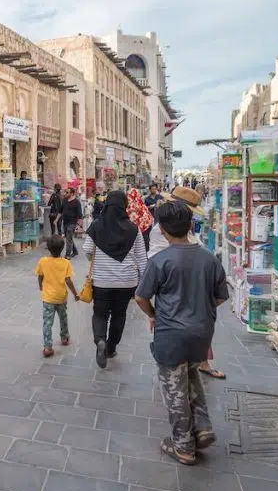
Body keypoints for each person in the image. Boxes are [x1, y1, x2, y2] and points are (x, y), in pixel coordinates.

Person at [134, 201, 228, 465]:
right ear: (190, 226)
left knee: (174, 388)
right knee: (191, 373)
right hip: (201, 332)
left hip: (171, 333)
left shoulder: (160, 261)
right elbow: (221, 296)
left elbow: (141, 297)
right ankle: (202, 425)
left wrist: (154, 314)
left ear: (161, 230)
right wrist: (200, 308)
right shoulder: (209, 258)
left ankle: (184, 446)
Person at [147, 186, 225, 379]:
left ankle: (200, 362)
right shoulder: (164, 229)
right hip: (172, 279)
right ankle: (182, 364)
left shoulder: (181, 226)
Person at [83, 191, 147, 369]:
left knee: (100, 313)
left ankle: (100, 340)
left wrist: (97, 262)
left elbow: (87, 249)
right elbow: (142, 258)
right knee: (119, 315)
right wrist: (143, 283)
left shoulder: (96, 226)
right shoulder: (134, 229)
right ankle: (111, 348)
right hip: (127, 282)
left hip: (102, 281)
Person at [36, 235, 78, 358]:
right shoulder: (66, 263)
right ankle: (65, 338)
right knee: (63, 317)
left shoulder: (43, 261)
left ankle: (48, 347)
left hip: (48, 298)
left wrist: (41, 287)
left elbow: (40, 276)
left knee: (47, 322)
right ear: (63, 248)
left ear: (48, 248)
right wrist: (75, 294)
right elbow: (68, 281)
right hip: (61, 297)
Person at [126, 188, 154, 252]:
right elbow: (150, 223)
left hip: (130, 241)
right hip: (144, 239)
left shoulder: (126, 208)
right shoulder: (143, 207)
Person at [60, 188, 82, 258]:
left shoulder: (76, 202)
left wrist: (79, 225)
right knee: (68, 238)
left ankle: (67, 254)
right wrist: (56, 220)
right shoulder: (64, 200)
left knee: (68, 237)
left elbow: (79, 214)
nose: (65, 193)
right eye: (65, 192)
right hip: (65, 222)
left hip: (73, 222)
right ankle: (75, 251)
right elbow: (60, 211)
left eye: (67, 192)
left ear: (72, 193)